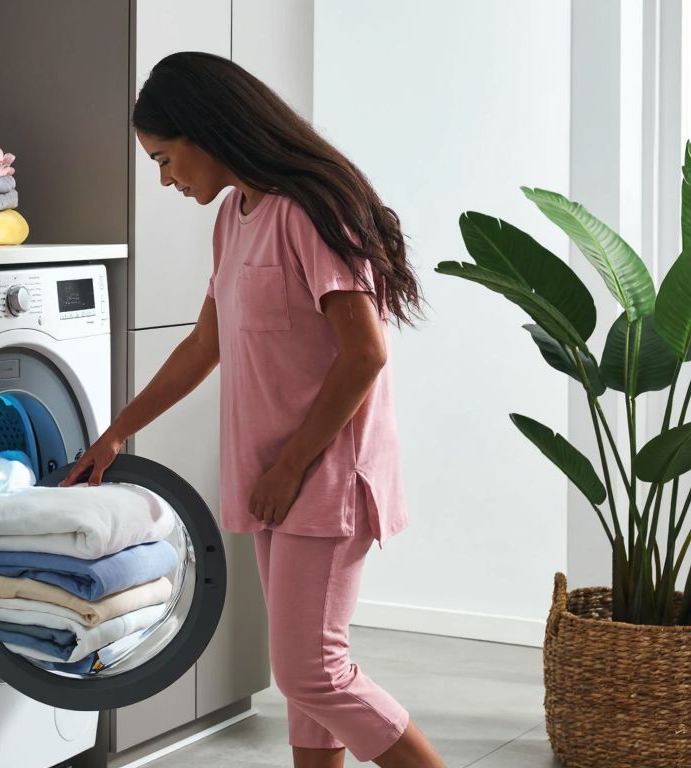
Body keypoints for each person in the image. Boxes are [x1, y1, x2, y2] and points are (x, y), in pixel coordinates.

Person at [62, 52, 444, 768]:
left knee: (311, 672)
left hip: (321, 475)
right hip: (275, 477)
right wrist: (118, 431)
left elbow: (365, 353)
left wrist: (292, 465)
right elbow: (205, 343)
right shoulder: (236, 217)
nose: (166, 178)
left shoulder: (309, 213)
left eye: (167, 158)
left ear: (207, 134)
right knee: (307, 676)